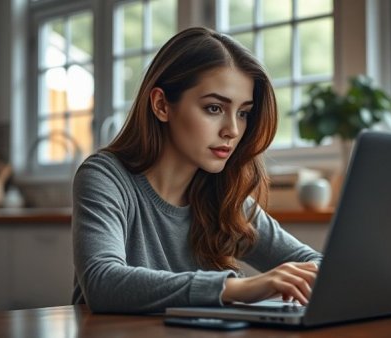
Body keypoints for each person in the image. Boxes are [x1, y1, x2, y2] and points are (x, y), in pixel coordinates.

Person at [72, 27, 323, 314]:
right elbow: (103, 282)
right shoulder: (105, 177)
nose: (232, 130)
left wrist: (310, 274)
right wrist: (238, 288)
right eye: (214, 108)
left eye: (243, 113)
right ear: (161, 105)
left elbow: (313, 261)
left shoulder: (225, 198)